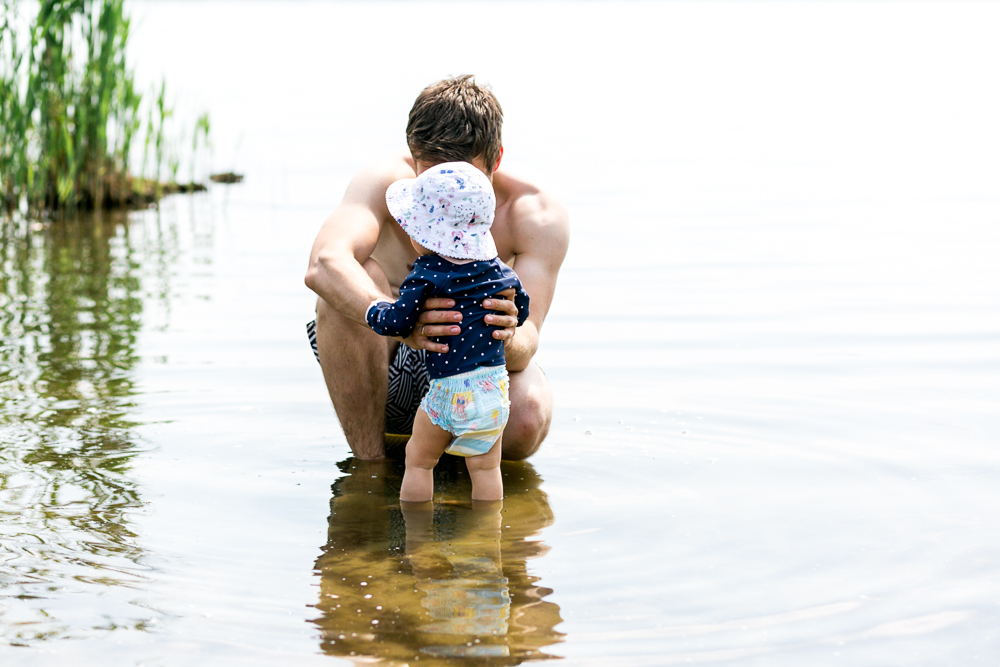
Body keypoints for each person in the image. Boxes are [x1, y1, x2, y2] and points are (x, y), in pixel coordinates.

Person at [304, 75, 569, 461]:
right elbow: (324, 264)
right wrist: (400, 321)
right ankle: (370, 469)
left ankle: (469, 480)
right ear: (413, 157)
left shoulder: (535, 213)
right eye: (431, 175)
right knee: (350, 284)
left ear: (495, 159)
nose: (446, 190)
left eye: (464, 175)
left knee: (528, 413)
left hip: (479, 365)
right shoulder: (384, 180)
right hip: (393, 362)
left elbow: (527, 343)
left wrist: (505, 333)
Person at [366, 161, 529, 501]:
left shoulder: (427, 273)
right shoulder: (500, 272)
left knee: (420, 461)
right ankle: (488, 546)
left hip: (449, 391)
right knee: (485, 469)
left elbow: (398, 322)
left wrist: (374, 311)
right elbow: (522, 309)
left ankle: (418, 541)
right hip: (493, 389)